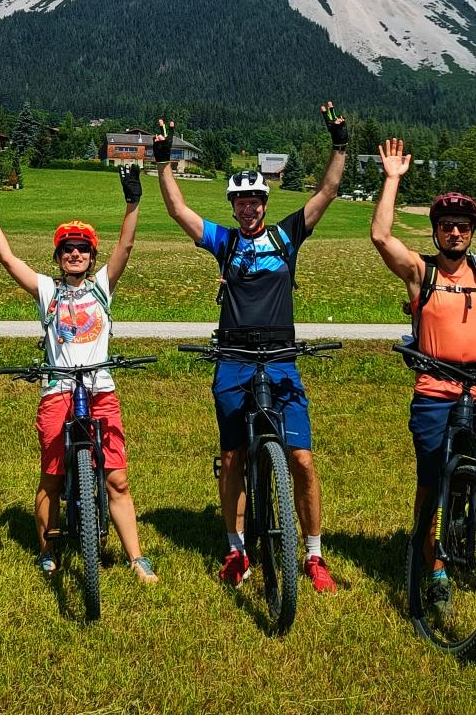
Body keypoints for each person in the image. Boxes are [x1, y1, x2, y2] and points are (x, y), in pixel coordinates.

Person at [153, 104, 348, 593]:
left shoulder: (285, 237)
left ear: (264, 202)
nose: (249, 208)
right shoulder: (223, 242)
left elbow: (327, 191)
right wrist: (162, 162)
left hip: (281, 357)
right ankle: (236, 547)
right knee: (234, 455)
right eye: (241, 202)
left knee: (301, 459)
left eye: (255, 200)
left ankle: (313, 553)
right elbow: (178, 211)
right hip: (234, 359)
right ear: (233, 206)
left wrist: (340, 145)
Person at [369, 137, 476, 597]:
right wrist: (391, 180)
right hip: (434, 390)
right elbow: (381, 237)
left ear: (472, 231)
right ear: (436, 231)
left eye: (463, 226)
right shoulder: (420, 273)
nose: (454, 233)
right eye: (447, 226)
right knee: (430, 485)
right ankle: (435, 570)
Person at [0, 163, 158, 583]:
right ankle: (47, 548)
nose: (76, 254)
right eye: (67, 248)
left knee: (118, 479)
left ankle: (136, 558)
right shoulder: (47, 291)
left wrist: (133, 201)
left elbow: (125, 248)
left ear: (92, 257)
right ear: (57, 257)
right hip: (57, 389)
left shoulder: (101, 287)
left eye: (83, 249)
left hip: (100, 387)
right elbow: (7, 259)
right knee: (52, 476)